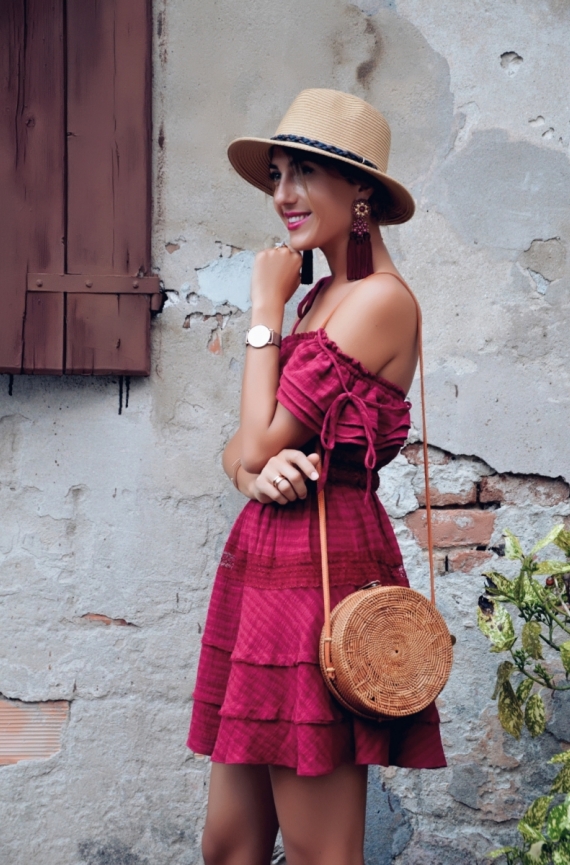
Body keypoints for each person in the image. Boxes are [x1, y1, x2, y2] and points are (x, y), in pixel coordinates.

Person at [187, 89, 446, 865]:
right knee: (228, 844)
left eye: (304, 172)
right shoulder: (320, 299)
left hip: (324, 570)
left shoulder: (380, 302)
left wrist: (263, 306)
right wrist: (253, 478)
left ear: (361, 191)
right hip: (268, 564)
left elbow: (259, 438)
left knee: (319, 851)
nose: (283, 195)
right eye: (276, 175)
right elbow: (242, 452)